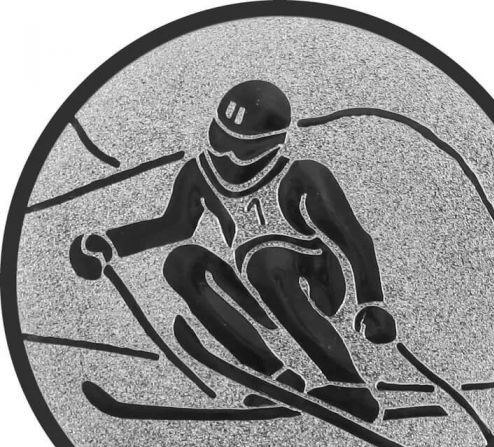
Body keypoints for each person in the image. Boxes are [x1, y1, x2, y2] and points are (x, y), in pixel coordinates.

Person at [70, 80, 396, 422]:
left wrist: (371, 302)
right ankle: (273, 376)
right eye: (221, 144)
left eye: (240, 151)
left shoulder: (300, 175)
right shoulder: (201, 173)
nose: (227, 159)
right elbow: (174, 225)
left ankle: (349, 386)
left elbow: (353, 239)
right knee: (183, 263)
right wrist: (108, 244)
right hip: (256, 285)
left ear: (274, 144)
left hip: (316, 285)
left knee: (266, 261)